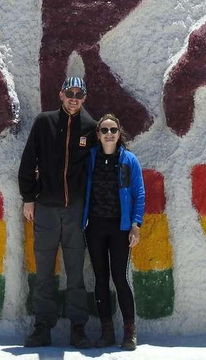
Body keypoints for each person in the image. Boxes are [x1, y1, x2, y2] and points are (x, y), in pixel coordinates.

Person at [18, 76, 97, 348]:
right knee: (44, 272)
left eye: (79, 93)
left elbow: (105, 163)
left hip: (75, 211)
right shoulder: (44, 122)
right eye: (70, 92)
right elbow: (29, 160)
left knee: (75, 271)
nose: (74, 97)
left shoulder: (91, 127)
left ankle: (78, 327)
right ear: (61, 94)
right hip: (46, 208)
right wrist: (29, 198)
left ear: (85, 97)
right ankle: (43, 325)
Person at [82, 113, 145, 351]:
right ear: (98, 135)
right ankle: (106, 331)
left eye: (113, 130)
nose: (109, 134)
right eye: (105, 130)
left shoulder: (129, 160)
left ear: (119, 134)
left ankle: (130, 332)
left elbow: (139, 194)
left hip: (120, 228)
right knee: (100, 279)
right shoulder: (90, 159)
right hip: (95, 226)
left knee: (119, 278)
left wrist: (135, 225)